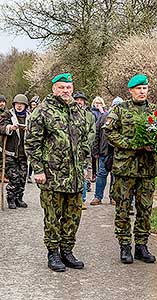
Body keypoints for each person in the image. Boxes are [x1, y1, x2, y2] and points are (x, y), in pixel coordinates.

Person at [25, 73, 90, 272]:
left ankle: (67, 251)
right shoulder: (42, 111)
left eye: (68, 87)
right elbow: (32, 143)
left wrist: (85, 166)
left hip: (75, 177)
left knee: (73, 216)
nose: (65, 91)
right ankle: (53, 252)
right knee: (53, 217)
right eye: (61, 87)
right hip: (52, 176)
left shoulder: (78, 110)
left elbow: (85, 141)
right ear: (54, 89)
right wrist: (38, 170)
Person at [104, 74, 157, 264]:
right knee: (123, 208)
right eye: (138, 89)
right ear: (131, 90)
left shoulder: (155, 111)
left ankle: (142, 246)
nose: (142, 91)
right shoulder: (120, 110)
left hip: (147, 169)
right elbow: (109, 132)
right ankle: (125, 245)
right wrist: (131, 143)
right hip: (125, 169)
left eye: (145, 88)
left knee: (145, 209)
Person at [90, 96, 123, 206]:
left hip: (118, 153)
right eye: (115, 105)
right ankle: (97, 197)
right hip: (104, 151)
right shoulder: (104, 117)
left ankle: (113, 197)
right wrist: (95, 150)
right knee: (101, 174)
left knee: (115, 176)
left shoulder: (124, 119)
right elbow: (96, 134)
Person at [0, 94, 30, 209]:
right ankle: (11, 198)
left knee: (22, 178)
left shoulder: (30, 116)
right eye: (17, 104)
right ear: (14, 105)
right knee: (14, 178)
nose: (19, 106)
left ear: (25, 106)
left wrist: (30, 129)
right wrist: (9, 128)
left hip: (24, 153)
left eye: (21, 104)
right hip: (10, 153)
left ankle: (19, 198)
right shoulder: (7, 114)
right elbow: (1, 127)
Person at [73, 91, 96, 210]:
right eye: (76, 100)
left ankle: (82, 200)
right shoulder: (69, 113)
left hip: (84, 151)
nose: (79, 102)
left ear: (84, 102)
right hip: (70, 150)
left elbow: (92, 133)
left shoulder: (90, 116)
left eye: (81, 100)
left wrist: (85, 146)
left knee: (83, 174)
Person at [91, 96, 107, 182]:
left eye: (100, 103)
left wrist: (102, 113)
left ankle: (97, 172)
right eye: (96, 103)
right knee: (93, 157)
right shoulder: (91, 112)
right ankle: (93, 173)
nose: (98, 105)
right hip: (93, 135)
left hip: (102, 138)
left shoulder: (105, 113)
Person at [27, 95, 41, 183]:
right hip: (28, 135)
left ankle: (34, 173)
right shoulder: (28, 113)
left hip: (37, 136)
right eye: (32, 104)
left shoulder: (40, 112)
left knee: (34, 158)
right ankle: (28, 174)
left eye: (35, 104)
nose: (33, 105)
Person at [0, 95, 9, 182]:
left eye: (3, 102)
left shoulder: (7, 112)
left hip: (3, 138)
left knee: (3, 156)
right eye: (0, 102)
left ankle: (2, 174)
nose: (1, 103)